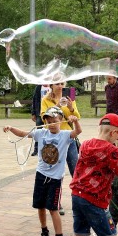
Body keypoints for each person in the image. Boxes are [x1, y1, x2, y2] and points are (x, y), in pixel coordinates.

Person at [4, 107, 82, 236]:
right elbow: (23, 134)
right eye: (49, 121)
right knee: (40, 206)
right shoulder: (41, 133)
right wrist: (11, 128)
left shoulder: (65, 135)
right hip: (41, 175)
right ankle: (44, 231)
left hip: (55, 179)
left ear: (61, 120)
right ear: (45, 121)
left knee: (53, 208)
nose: (52, 124)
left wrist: (75, 121)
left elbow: (77, 132)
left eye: (55, 121)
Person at [41, 81, 81, 215]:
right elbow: (43, 118)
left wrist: (70, 108)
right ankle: (56, 201)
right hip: (53, 140)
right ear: (51, 85)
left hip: (68, 138)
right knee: (56, 172)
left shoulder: (70, 97)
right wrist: (57, 107)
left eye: (62, 83)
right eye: (57, 83)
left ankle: (78, 200)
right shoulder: (46, 100)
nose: (60, 86)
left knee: (75, 170)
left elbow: (76, 117)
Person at [30, 84, 50, 156]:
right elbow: (35, 100)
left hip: (50, 113)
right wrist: (33, 113)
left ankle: (47, 149)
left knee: (50, 131)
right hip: (40, 113)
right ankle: (36, 149)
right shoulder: (39, 87)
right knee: (38, 131)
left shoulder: (52, 85)